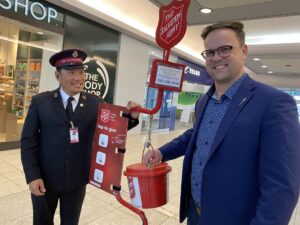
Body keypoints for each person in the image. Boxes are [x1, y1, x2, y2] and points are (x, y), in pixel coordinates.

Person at [143, 21, 300, 225]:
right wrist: (162, 152)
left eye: (225, 49)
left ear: (244, 51)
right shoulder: (204, 100)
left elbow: (281, 186)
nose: (216, 57)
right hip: (195, 212)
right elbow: (196, 135)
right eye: (209, 52)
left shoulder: (273, 103)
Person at [21, 49, 140, 225]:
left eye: (81, 72)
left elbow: (112, 130)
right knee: (42, 221)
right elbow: (28, 142)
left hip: (76, 181)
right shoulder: (41, 102)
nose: (79, 78)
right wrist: (32, 176)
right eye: (71, 72)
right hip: (44, 179)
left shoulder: (95, 103)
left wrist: (132, 117)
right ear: (57, 76)